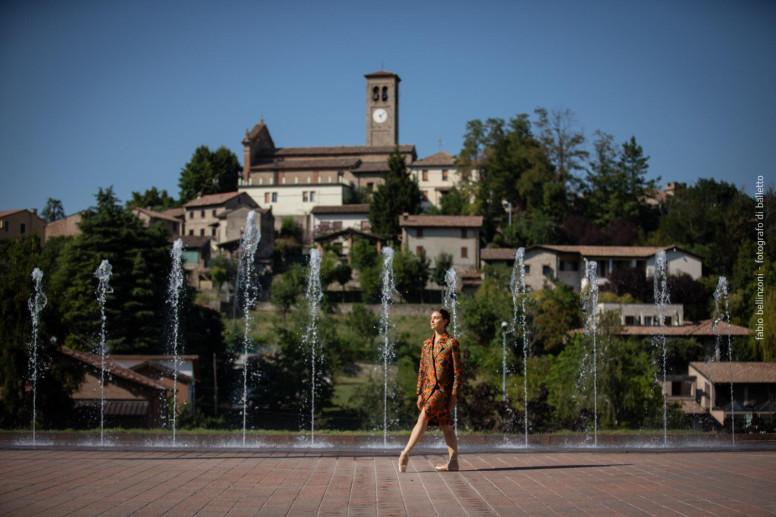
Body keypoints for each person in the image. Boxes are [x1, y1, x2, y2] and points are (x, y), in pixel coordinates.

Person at [399, 308, 463, 472]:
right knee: (445, 425)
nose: (432, 320)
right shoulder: (426, 343)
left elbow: (457, 372)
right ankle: (453, 461)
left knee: (423, 416)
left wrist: (454, 395)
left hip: (442, 391)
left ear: (445, 321)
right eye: (431, 318)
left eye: (436, 318)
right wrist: (419, 392)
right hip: (427, 391)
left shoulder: (451, 343)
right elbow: (422, 369)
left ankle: (405, 453)